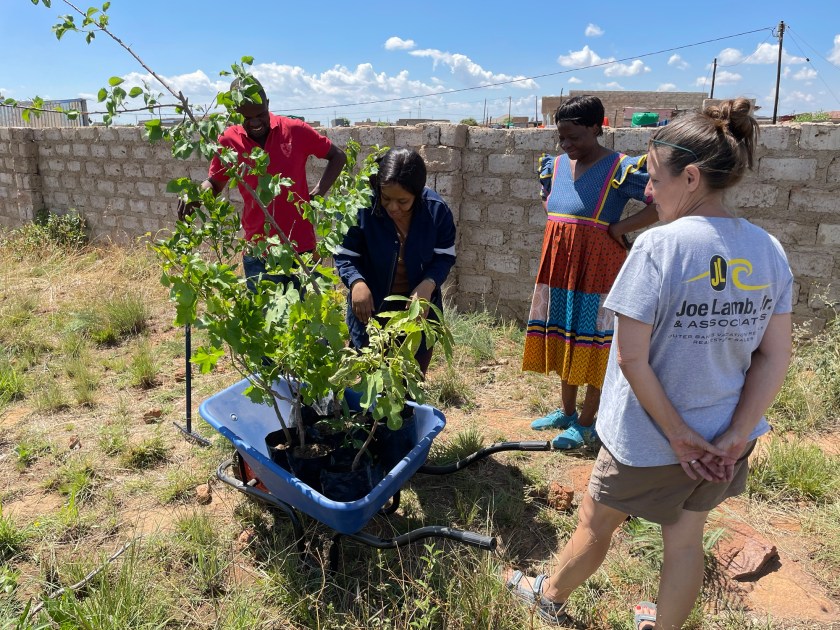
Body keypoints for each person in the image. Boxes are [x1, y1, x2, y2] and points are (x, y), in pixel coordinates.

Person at [505, 98, 793, 629]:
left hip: (650, 440)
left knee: (595, 522)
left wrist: (680, 436)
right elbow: (774, 354)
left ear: (689, 176)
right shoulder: (767, 249)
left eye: (655, 179)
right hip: (723, 443)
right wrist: (733, 435)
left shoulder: (658, 247)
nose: (648, 192)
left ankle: (547, 595)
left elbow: (632, 358)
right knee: (685, 540)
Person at [523, 95, 658, 449]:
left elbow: (661, 203)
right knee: (564, 334)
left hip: (598, 269)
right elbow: (550, 199)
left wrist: (618, 227)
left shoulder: (619, 168)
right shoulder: (553, 166)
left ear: (598, 128)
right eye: (561, 138)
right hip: (559, 267)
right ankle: (566, 412)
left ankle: (587, 423)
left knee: (594, 339)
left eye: (575, 138)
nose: (566, 145)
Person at [177, 76, 346, 288]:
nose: (255, 122)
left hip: (300, 246)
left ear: (268, 103)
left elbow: (338, 156)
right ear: (236, 112)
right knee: (265, 318)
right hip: (259, 251)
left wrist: (316, 194)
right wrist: (196, 194)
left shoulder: (295, 130)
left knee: (310, 316)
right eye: (247, 117)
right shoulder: (229, 140)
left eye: (260, 114)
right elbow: (215, 182)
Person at [334, 148, 456, 375]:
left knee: (410, 380)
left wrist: (428, 284)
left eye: (403, 201)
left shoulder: (436, 211)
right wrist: (356, 283)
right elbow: (344, 254)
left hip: (417, 311)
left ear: (418, 194)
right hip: (370, 308)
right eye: (386, 198)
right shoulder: (361, 207)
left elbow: (444, 256)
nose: (393, 207)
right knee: (369, 379)